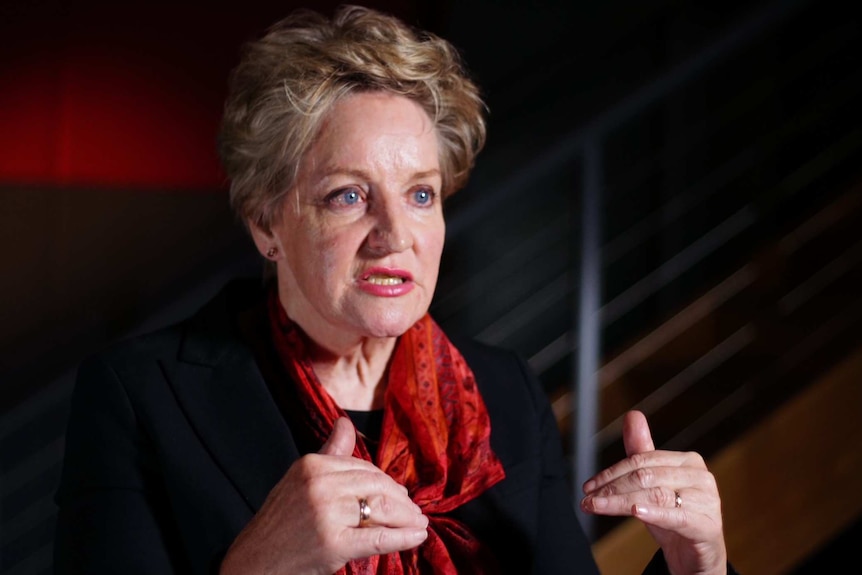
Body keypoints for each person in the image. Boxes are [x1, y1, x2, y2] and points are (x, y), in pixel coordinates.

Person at [53, 5, 734, 574]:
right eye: (348, 195)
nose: (393, 233)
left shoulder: (506, 392)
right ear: (265, 221)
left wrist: (698, 562)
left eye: (419, 193)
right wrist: (254, 565)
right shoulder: (138, 394)